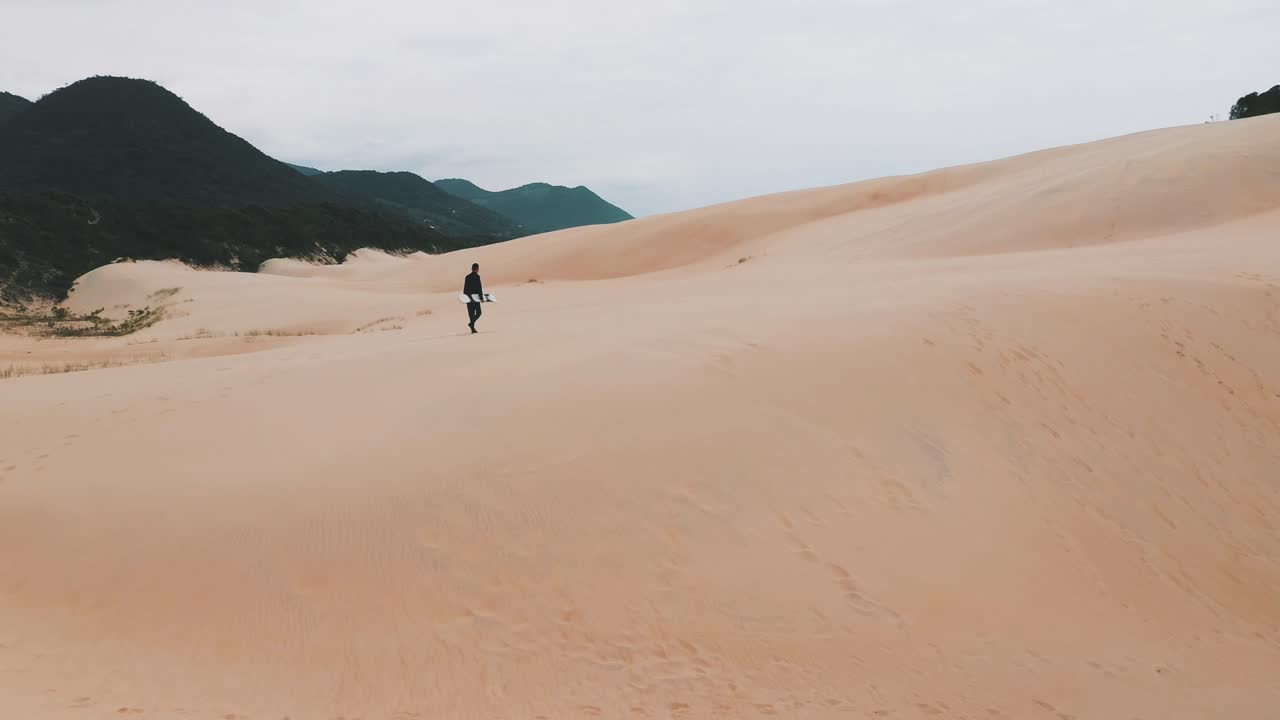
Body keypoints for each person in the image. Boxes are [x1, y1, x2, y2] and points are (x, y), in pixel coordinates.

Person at [463, 262, 485, 333]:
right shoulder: (477, 277)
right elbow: (479, 288)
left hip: (469, 298)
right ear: (477, 268)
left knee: (471, 314)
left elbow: (465, 289)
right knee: (479, 312)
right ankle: (471, 324)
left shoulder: (467, 277)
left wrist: (466, 297)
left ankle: (472, 328)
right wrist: (481, 298)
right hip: (475, 298)